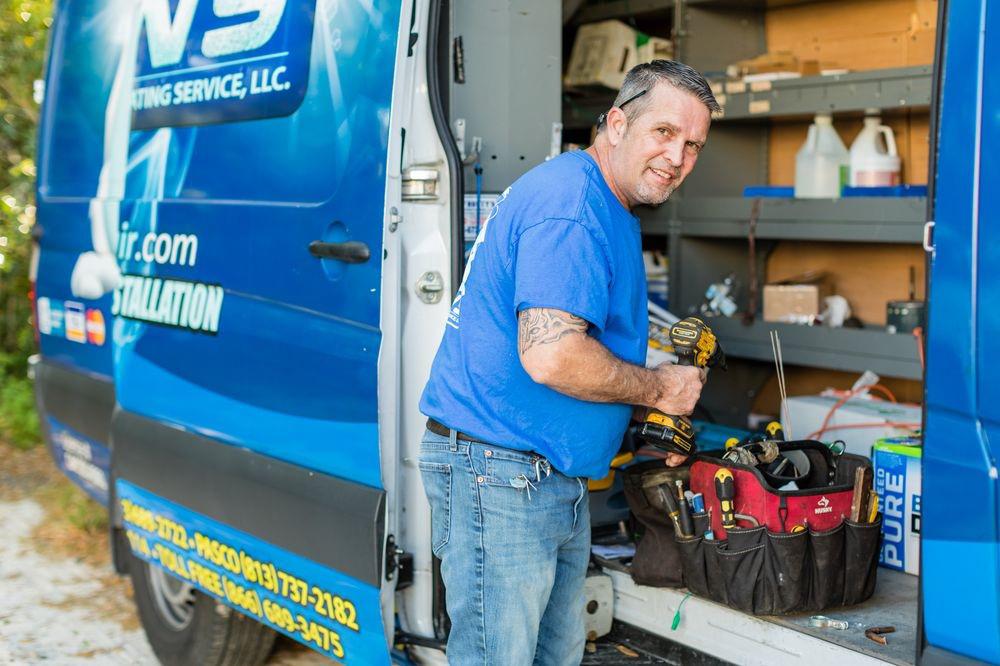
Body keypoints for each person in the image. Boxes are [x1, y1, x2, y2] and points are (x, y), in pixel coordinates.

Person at [418, 59, 720, 665]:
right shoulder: (572, 206)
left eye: (693, 145)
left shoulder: (606, 202)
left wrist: (642, 415)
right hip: (502, 475)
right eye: (664, 132)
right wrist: (659, 389)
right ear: (617, 123)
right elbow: (553, 355)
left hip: (544, 475)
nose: (677, 157)